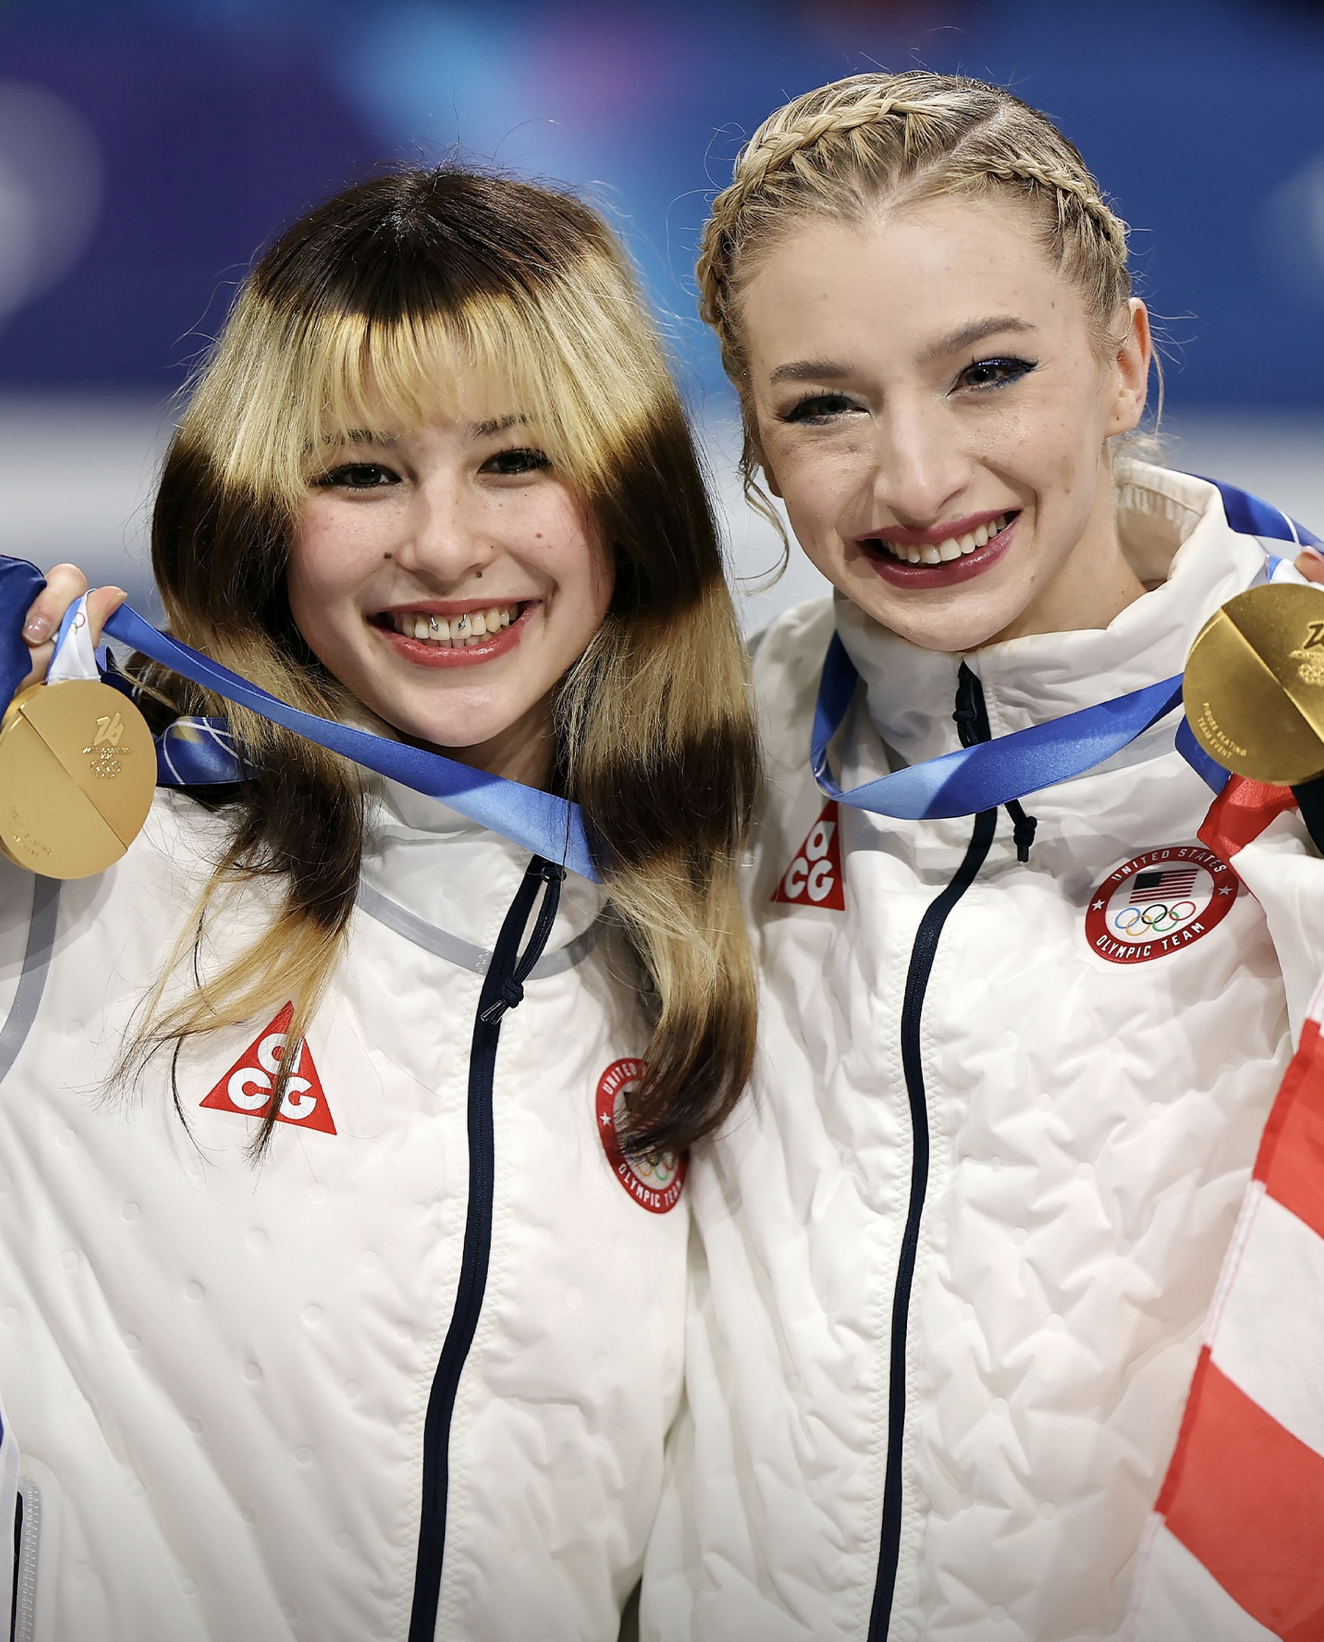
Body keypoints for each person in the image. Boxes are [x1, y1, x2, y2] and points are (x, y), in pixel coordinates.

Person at [0, 164, 759, 1642]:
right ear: (256, 509)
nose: (443, 544)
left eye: (516, 460)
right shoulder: (93, 845)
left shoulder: (711, 930)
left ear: (631, 491)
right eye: (359, 473)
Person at [642, 72, 1324, 1642]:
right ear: (754, 442)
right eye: (825, 406)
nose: (917, 479)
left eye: (988, 374)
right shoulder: (705, 765)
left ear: (1125, 363)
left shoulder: (1299, 745)